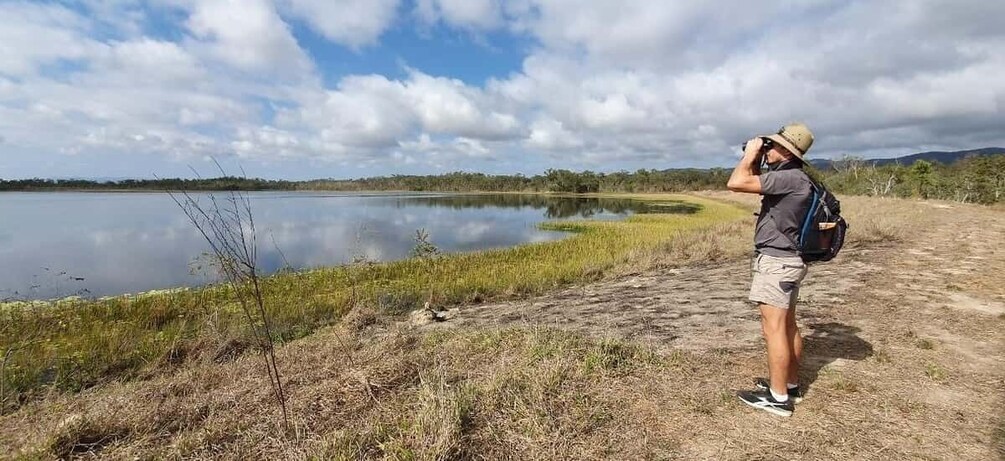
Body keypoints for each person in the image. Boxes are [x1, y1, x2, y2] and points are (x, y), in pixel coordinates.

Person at [726, 122, 816, 417]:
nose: (767, 148)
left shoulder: (789, 178)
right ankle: (789, 385)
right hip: (790, 260)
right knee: (788, 325)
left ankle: (777, 399)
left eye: (772, 145)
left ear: (787, 151)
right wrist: (758, 159)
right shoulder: (799, 178)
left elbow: (736, 183)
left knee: (773, 328)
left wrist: (749, 155)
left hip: (777, 263)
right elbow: (754, 184)